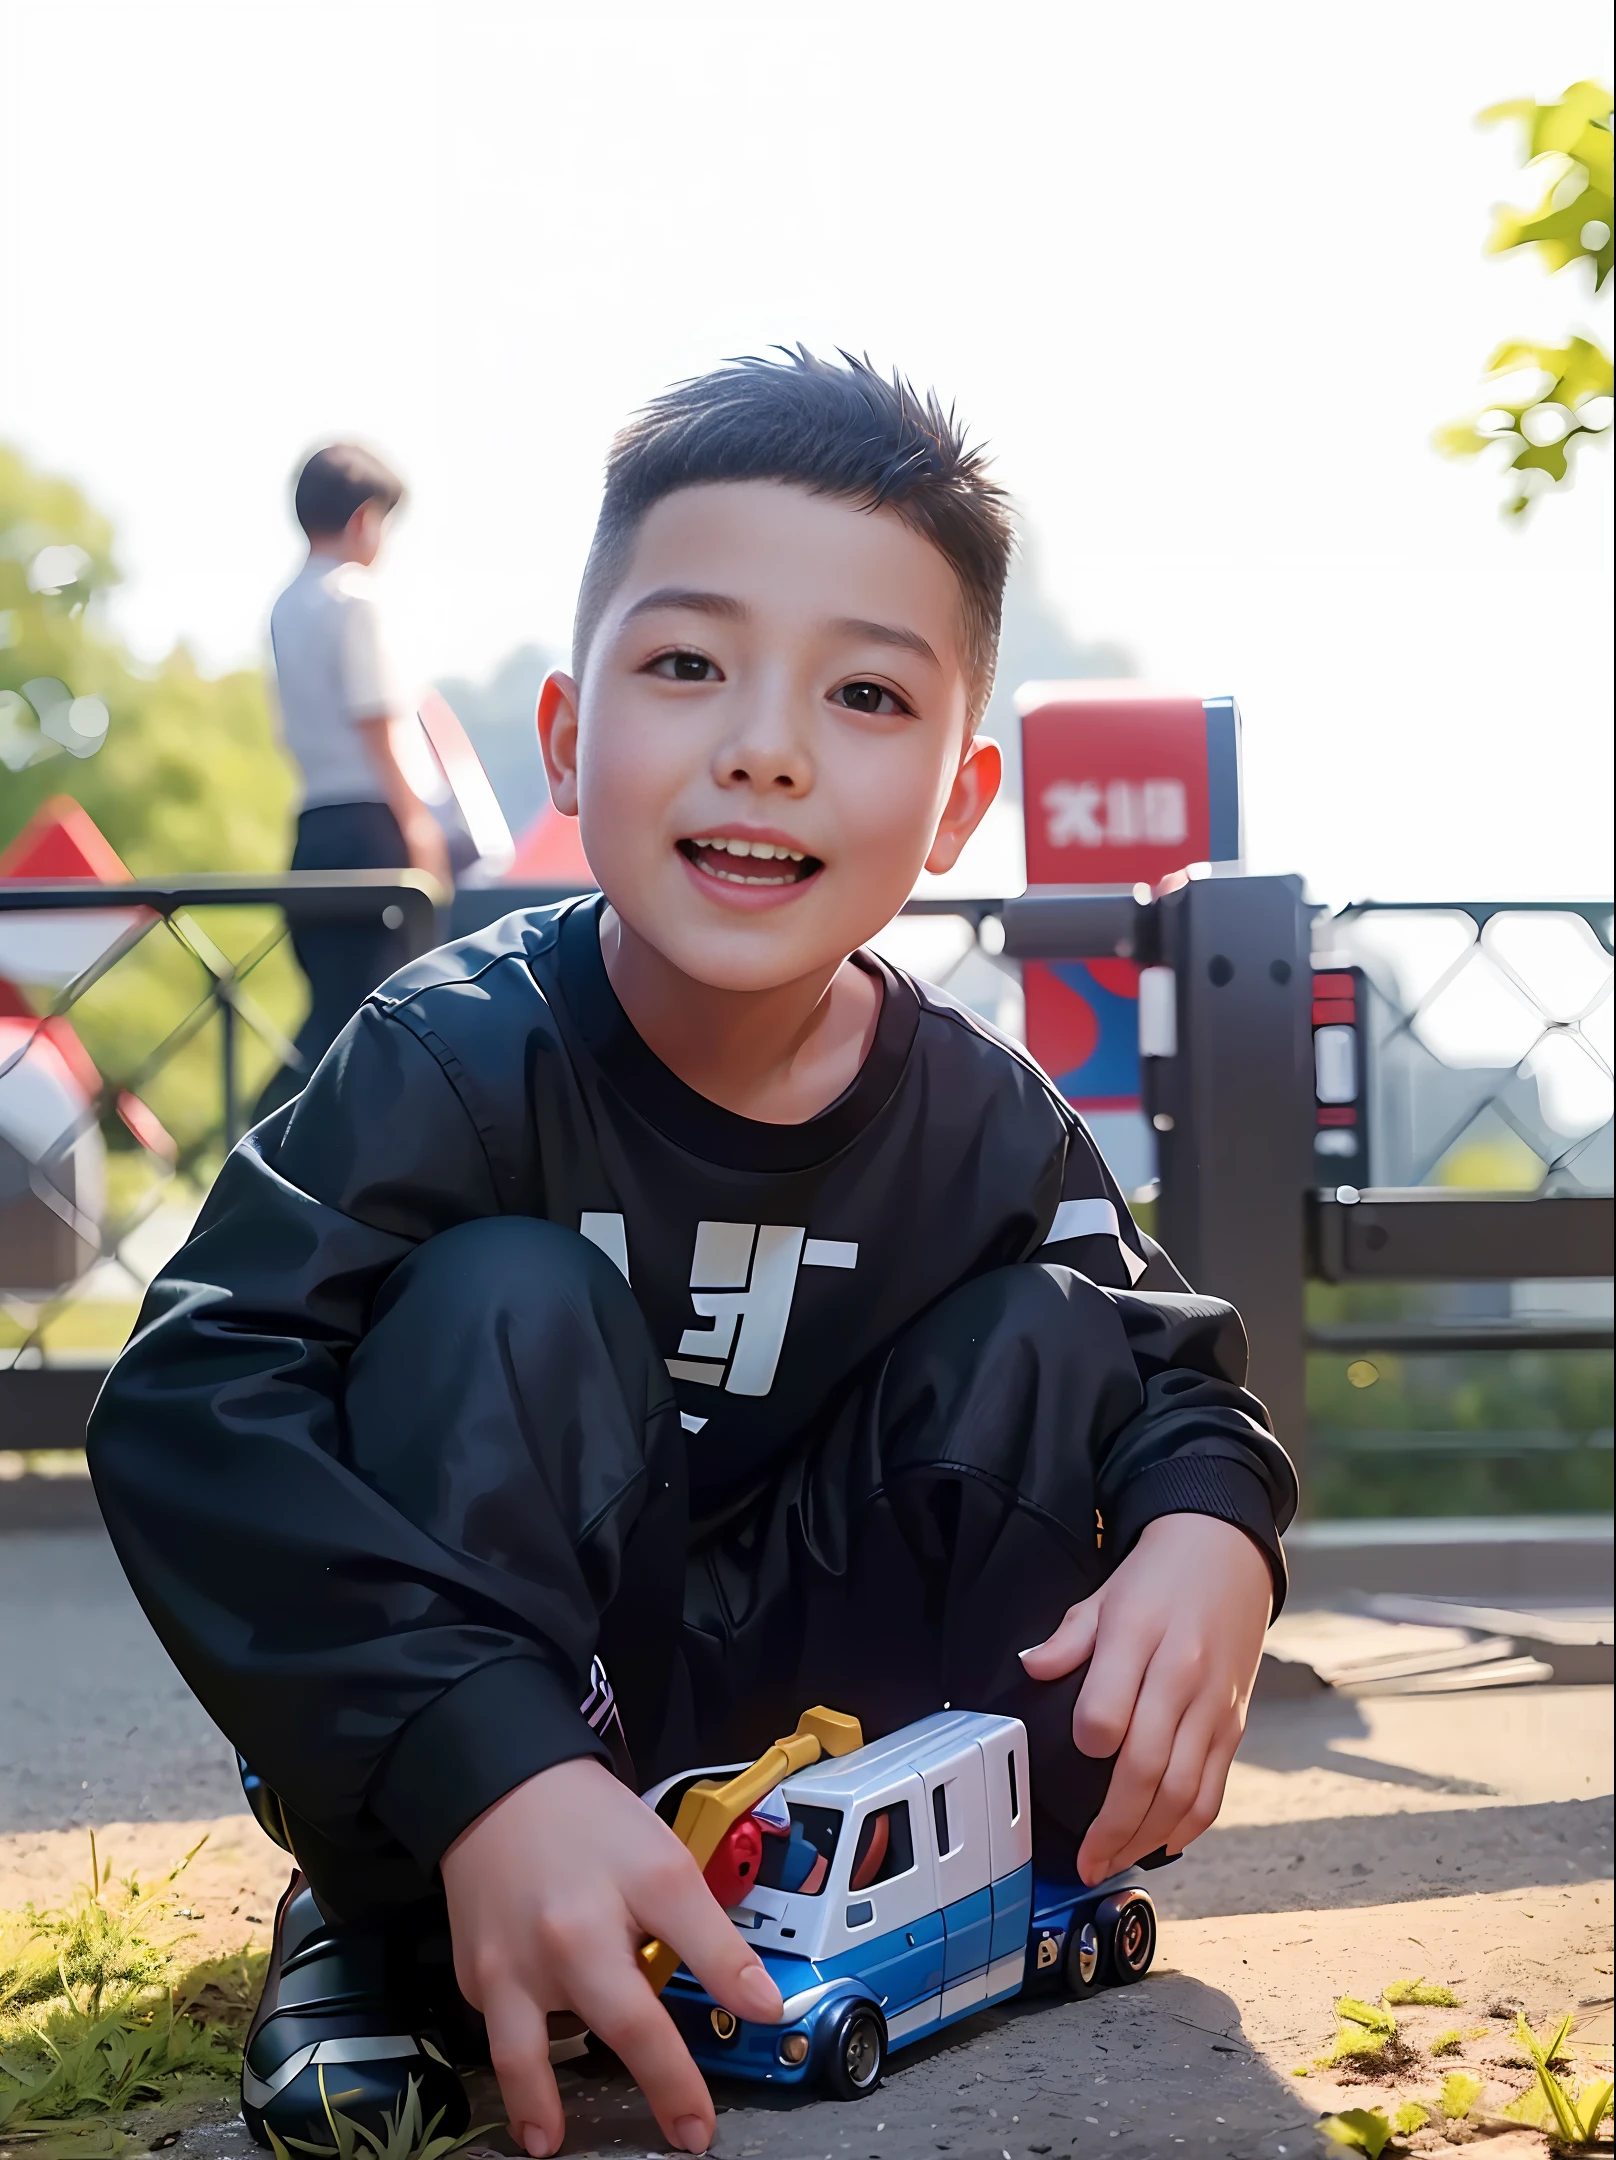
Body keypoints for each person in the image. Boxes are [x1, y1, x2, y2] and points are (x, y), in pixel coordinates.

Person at [88, 354, 1296, 2158]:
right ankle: (387, 1924)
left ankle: (887, 1909)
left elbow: (1161, 1354)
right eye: (686, 665)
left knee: (1049, 1338)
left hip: (809, 1722)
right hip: (487, 1694)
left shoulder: (977, 1116)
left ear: (959, 804)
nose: (767, 742)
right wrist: (476, 1760)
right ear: (570, 732)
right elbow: (192, 1399)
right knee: (504, 1301)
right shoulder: (450, 1056)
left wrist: (1218, 1536)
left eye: (864, 692)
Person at [257, 442, 451, 1116]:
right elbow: (379, 722)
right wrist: (419, 826)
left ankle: (263, 1138)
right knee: (384, 1008)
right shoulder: (357, 600)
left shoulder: (285, 604)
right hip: (374, 825)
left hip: (314, 825)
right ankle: (275, 1135)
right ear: (367, 519)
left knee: (330, 1008)